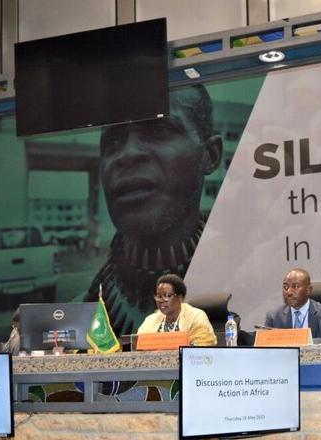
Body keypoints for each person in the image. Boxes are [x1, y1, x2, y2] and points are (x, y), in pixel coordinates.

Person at [83, 84, 223, 338]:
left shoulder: (239, 281)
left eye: (159, 131)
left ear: (210, 155)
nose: (128, 154)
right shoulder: (85, 309)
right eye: (113, 141)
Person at [263, 268, 321, 343]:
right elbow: (264, 345)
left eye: (295, 287)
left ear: (308, 290)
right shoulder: (273, 316)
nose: (288, 292)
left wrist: (305, 341)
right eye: (285, 287)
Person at [136, 273, 217, 346]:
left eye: (167, 296)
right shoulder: (150, 320)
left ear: (180, 298)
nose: (161, 300)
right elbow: (137, 345)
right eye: (159, 296)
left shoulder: (196, 316)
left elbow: (203, 345)